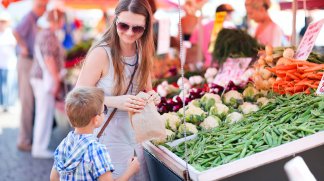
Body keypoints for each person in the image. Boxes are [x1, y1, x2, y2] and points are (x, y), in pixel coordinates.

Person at [76, 0, 160, 180]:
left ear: (145, 28)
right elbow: (78, 95)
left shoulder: (143, 51)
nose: (130, 32)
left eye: (137, 28)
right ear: (115, 21)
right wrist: (115, 101)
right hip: (106, 139)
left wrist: (152, 96)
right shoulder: (101, 53)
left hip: (137, 139)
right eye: (124, 25)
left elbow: (147, 89)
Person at [50, 87, 140, 181]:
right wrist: (131, 170)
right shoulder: (97, 150)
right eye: (104, 111)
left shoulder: (64, 144)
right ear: (96, 120)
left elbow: (53, 178)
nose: (105, 114)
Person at [29, 8, 65, 158]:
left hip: (40, 78)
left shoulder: (44, 33)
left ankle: (40, 146)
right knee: (44, 114)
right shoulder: (49, 35)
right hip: (44, 79)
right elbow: (49, 59)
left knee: (44, 113)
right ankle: (39, 148)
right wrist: (56, 80)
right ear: (58, 20)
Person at [13, 0, 48, 152]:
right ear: (39, 6)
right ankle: (24, 140)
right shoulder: (29, 17)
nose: (45, 10)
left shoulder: (34, 19)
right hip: (26, 62)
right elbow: (16, 31)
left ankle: (28, 138)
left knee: (30, 103)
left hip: (29, 62)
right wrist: (23, 47)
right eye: (44, 7)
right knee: (27, 103)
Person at [0, 11, 18, 112]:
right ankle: (3, 104)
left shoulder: (10, 32)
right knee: (2, 86)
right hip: (1, 64)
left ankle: (10, 104)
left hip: (9, 64)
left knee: (10, 85)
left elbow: (14, 44)